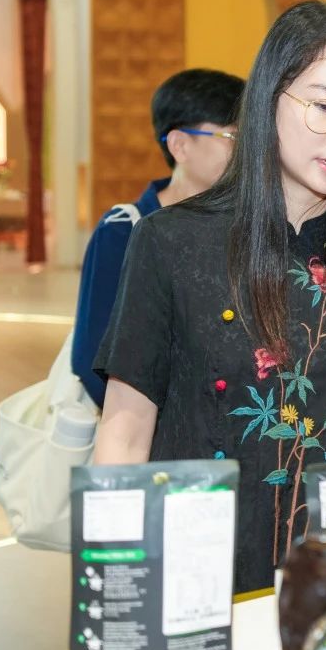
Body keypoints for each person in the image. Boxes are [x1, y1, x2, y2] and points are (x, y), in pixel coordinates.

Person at [92, 1, 326, 592]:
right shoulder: (171, 243)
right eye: (324, 106)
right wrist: (115, 585)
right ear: (268, 100)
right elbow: (124, 435)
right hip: (200, 579)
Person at [70, 68, 244, 407]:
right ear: (180, 145)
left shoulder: (249, 228)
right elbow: (91, 359)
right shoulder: (122, 231)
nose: (247, 151)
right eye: (233, 137)